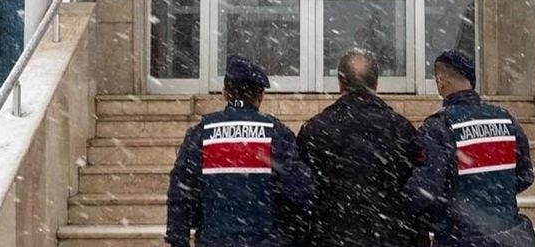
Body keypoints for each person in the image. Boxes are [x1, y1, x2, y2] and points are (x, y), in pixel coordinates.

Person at [165, 55, 314, 247]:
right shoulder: (276, 133)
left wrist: (179, 239)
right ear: (260, 95)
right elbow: (299, 192)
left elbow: (181, 193)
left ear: (225, 94)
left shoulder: (202, 133)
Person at [405, 50, 535, 247]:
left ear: (441, 81)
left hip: (461, 237)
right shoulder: (505, 119)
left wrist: (400, 207)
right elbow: (525, 176)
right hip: (508, 235)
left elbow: (427, 187)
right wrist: (492, 198)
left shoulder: (439, 126)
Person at [297, 48, 420, 247]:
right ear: (376, 83)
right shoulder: (401, 129)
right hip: (388, 236)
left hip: (331, 234)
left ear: (340, 83)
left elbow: (302, 188)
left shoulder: (315, 129)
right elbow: (417, 187)